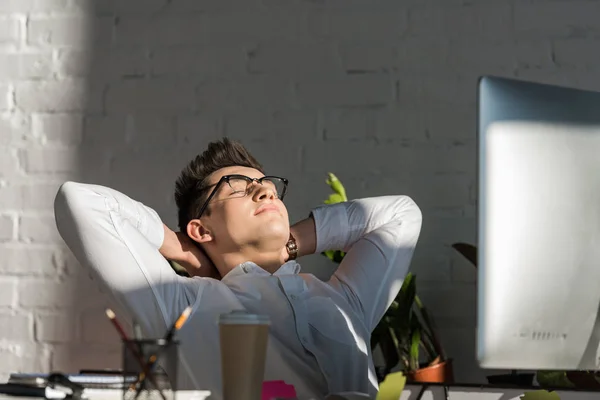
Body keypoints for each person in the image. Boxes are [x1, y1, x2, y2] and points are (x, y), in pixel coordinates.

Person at [54, 138, 422, 400]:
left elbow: (401, 214)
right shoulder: (182, 304)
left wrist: (287, 243)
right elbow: (80, 202)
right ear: (202, 229)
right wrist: (186, 251)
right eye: (238, 187)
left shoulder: (346, 300)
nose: (265, 192)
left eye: (266, 185)